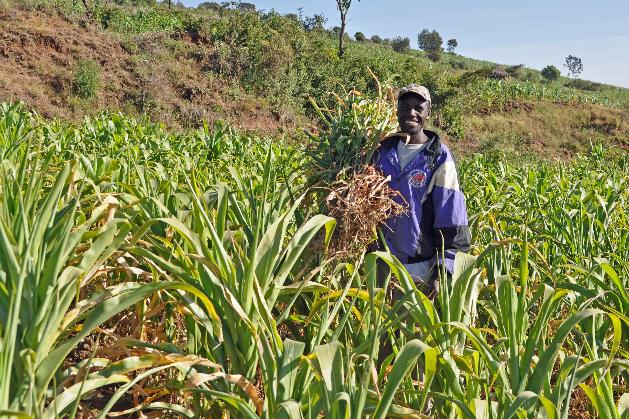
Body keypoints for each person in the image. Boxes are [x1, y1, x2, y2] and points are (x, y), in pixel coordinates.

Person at [373, 84, 470, 298]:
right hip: (378, 264)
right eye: (405, 106)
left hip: (417, 270)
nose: (411, 113)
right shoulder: (380, 151)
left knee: (411, 331)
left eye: (418, 107)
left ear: (428, 112)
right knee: (376, 330)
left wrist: (442, 272)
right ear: (396, 109)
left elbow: (452, 219)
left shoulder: (438, 157)